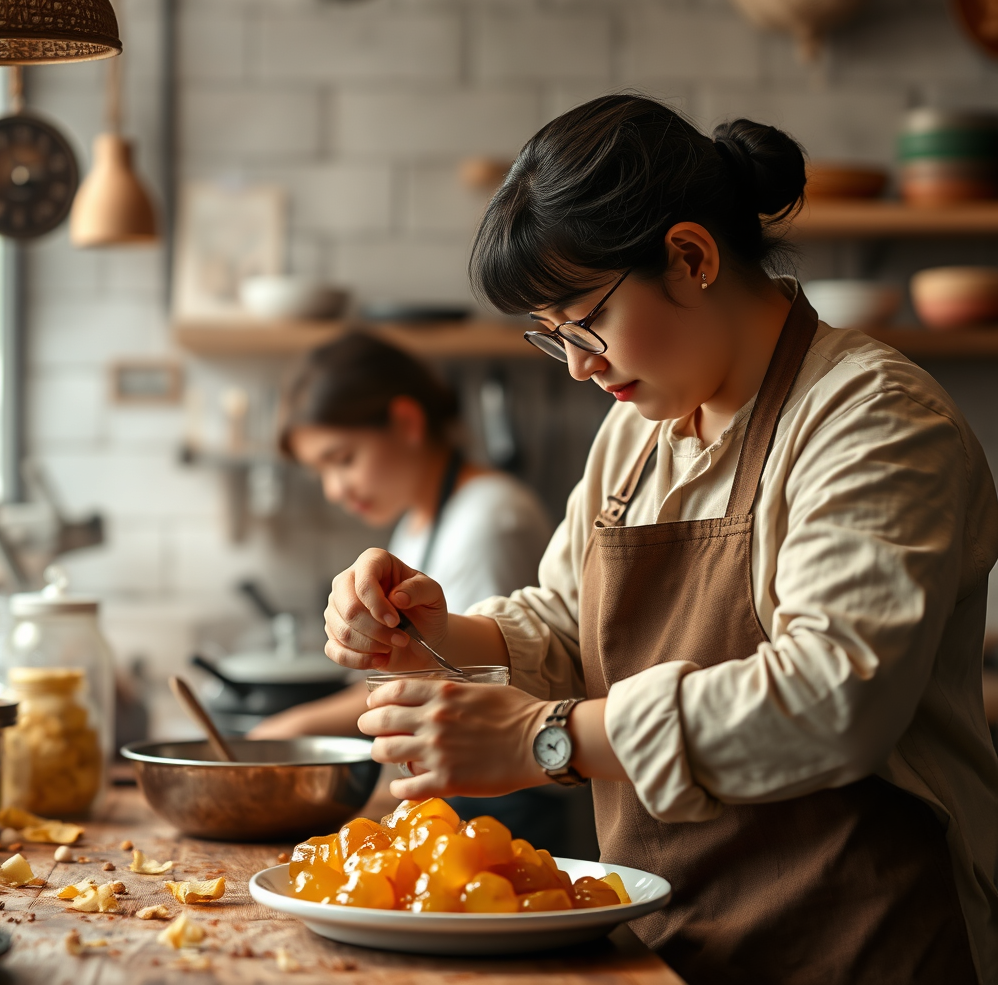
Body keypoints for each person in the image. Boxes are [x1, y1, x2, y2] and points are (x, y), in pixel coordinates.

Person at [319, 95, 998, 985]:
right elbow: (569, 628)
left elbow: (834, 700)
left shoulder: (871, 418)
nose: (578, 366)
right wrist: (436, 632)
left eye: (585, 319)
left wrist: (544, 741)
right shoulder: (639, 432)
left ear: (691, 256)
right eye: (551, 336)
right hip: (674, 941)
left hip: (862, 945)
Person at [249, 333, 570, 845]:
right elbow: (411, 665)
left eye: (343, 458)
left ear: (406, 422)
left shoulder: (489, 519)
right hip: (462, 795)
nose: (335, 489)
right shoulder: (418, 524)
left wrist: (295, 729)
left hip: (514, 808)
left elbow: (472, 684)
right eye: (322, 472)